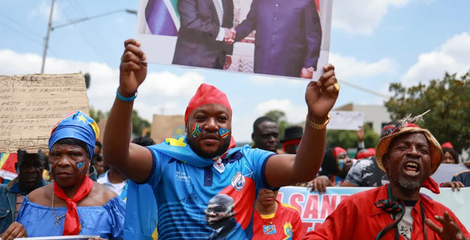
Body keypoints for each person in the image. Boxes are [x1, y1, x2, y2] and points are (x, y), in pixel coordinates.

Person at [103, 39, 339, 239]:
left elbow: (304, 169)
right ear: (187, 125)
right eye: (201, 117)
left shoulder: (248, 162)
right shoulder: (165, 161)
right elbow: (116, 156)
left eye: (222, 119)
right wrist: (126, 94)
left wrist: (316, 117)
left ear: (231, 125)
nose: (212, 126)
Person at [305, 115, 470, 240]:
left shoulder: (441, 216)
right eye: (403, 147)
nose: (413, 152)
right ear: (386, 161)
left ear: (429, 168)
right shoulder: (356, 207)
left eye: (423, 150)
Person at [1, 111, 126, 240]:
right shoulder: (33, 201)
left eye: (74, 154)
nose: (63, 162)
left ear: (89, 159)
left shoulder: (109, 204)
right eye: (56, 154)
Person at [231, 0, 322, 79]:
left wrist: (309, 66)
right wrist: (233, 34)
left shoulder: (305, 0)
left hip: (291, 64)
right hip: (262, 62)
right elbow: (249, 23)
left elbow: (313, 36)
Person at [172, 0, 235, 70]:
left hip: (218, 59)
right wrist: (222, 32)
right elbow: (191, 23)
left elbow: (228, 25)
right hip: (192, 58)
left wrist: (228, 54)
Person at [0, 150, 47, 235]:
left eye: (36, 165)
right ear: (17, 167)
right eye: (25, 165)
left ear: (43, 167)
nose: (31, 170)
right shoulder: (1, 193)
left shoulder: (53, 195)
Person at [341, 123, 396, 188]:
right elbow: (344, 193)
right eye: (384, 138)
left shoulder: (408, 169)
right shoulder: (362, 166)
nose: (388, 143)